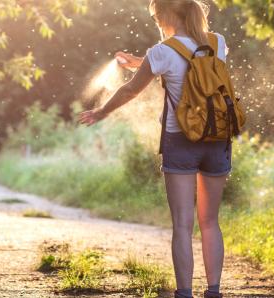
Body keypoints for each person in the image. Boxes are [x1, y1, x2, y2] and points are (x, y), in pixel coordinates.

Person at [78, 1, 230, 297]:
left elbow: (130, 90)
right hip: (217, 139)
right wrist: (141, 61)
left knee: (183, 226)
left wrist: (101, 112)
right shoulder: (218, 42)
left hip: (180, 140)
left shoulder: (161, 52)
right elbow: (191, 60)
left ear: (166, 16)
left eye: (156, 17)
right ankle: (214, 291)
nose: (156, 22)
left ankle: (184, 293)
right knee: (210, 222)